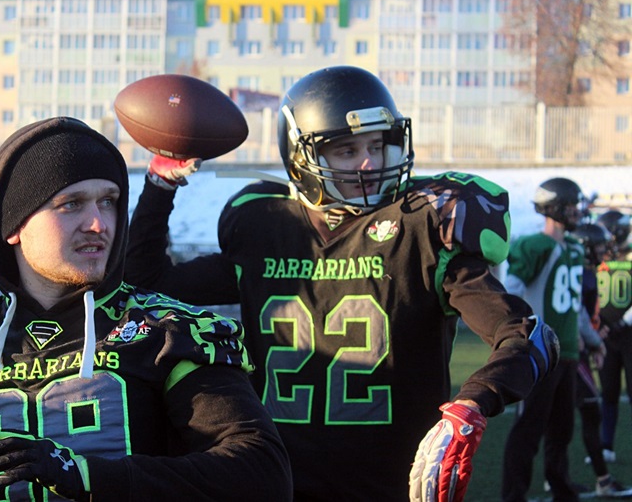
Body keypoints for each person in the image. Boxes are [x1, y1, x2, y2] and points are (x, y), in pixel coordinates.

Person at [126, 65, 559, 501]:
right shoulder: (266, 225)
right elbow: (148, 282)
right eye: (347, 150)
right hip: (280, 483)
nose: (369, 163)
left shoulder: (419, 227)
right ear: (301, 157)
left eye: (377, 145)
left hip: (393, 486)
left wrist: (472, 404)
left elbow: (527, 336)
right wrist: (161, 184)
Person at [0, 117, 292, 501]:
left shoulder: (166, 333)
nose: (99, 223)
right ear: (13, 226)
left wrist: (86, 476)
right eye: (71, 204)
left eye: (108, 201)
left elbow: (262, 474)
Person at [500, 177, 585, 502]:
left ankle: (561, 487)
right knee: (529, 427)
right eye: (571, 205)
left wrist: (588, 338)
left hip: (569, 351)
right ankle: (514, 494)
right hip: (541, 352)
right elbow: (512, 291)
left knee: (562, 429)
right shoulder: (535, 245)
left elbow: (574, 303)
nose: (577, 211)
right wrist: (517, 332)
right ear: (554, 207)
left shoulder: (574, 247)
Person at [570, 222, 630, 496]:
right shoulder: (583, 272)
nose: (604, 249)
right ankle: (599, 471)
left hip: (586, 341)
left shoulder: (587, 271)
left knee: (580, 410)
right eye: (599, 245)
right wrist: (595, 338)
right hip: (576, 346)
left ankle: (559, 475)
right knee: (592, 405)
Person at [596, 209, 632, 463]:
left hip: (625, 333)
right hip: (606, 334)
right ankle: (605, 445)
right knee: (608, 392)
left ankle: (606, 445)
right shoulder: (596, 258)